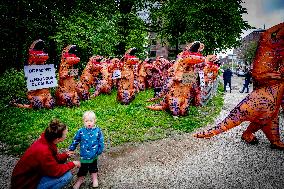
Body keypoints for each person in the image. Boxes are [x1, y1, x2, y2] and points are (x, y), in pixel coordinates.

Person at [11, 119, 81, 189]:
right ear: (57, 139)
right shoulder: (44, 151)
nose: (67, 135)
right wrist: (73, 163)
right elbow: (56, 171)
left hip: (28, 178)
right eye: (65, 134)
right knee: (66, 176)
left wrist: (65, 155)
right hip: (24, 184)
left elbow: (52, 159)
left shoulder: (46, 140)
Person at [69, 111, 104, 189]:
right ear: (83, 121)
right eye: (86, 121)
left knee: (93, 167)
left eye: (91, 121)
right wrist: (72, 148)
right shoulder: (81, 131)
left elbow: (101, 141)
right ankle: (80, 180)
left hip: (93, 154)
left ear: (94, 121)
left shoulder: (97, 131)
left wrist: (99, 150)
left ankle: (95, 179)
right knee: (83, 169)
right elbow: (76, 140)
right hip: (84, 155)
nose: (89, 123)